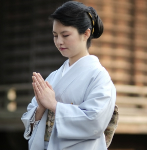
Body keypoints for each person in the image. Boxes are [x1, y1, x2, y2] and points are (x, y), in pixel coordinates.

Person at [21, 1, 116, 150]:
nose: (59, 42)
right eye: (55, 35)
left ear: (86, 33)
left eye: (65, 35)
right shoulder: (53, 76)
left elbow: (94, 121)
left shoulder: (99, 77)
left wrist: (53, 105)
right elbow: (30, 121)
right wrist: (40, 107)